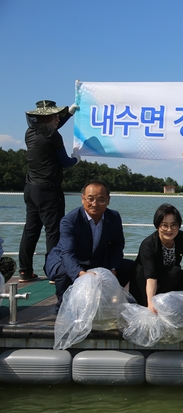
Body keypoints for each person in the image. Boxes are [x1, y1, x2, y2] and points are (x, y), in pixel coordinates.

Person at [44, 181, 134, 309]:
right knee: (65, 272)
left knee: (130, 267)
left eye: (101, 200)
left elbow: (117, 246)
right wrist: (82, 275)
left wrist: (113, 269)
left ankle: (110, 303)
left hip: (95, 260)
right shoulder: (70, 220)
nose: (95, 204)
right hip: (65, 259)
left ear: (108, 200)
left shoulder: (114, 217)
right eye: (90, 199)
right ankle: (64, 308)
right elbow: (67, 253)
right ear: (82, 199)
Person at [19, 100, 81, 283]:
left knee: (31, 230)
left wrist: (68, 114)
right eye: (55, 116)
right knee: (54, 231)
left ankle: (25, 271)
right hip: (48, 190)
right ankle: (54, 272)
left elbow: (51, 128)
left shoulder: (30, 132)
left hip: (30, 189)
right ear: (48, 118)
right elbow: (65, 162)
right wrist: (76, 159)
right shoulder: (54, 137)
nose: (57, 119)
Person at [129, 204, 183, 313]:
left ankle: (169, 301)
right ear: (157, 226)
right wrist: (151, 302)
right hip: (145, 283)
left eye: (173, 225)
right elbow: (151, 277)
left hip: (168, 278)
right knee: (175, 271)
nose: (169, 230)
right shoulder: (148, 245)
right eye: (164, 225)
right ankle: (158, 301)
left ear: (179, 225)